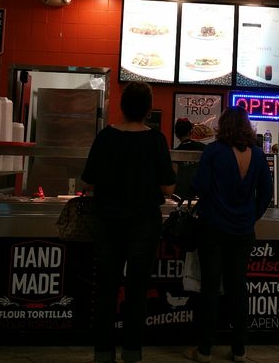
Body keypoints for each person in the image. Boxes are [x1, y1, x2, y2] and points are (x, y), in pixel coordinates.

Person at [82, 81, 175, 363]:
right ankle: (132, 350)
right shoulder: (156, 140)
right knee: (137, 288)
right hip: (144, 223)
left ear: (122, 106)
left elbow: (88, 182)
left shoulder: (105, 137)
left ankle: (103, 351)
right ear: (148, 109)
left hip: (107, 221)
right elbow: (168, 187)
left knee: (107, 286)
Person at [186, 107, 273, 363]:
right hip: (242, 231)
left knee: (210, 288)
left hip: (213, 229)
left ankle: (204, 350)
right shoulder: (258, 155)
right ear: (247, 126)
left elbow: (200, 186)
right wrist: (251, 216)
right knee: (238, 288)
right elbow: (266, 193)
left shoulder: (214, 151)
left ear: (223, 125)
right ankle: (239, 350)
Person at [172, 118, 207, 199]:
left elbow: (174, 176)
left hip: (181, 195)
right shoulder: (203, 148)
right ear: (190, 132)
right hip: (200, 192)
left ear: (176, 134)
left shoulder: (175, 153)